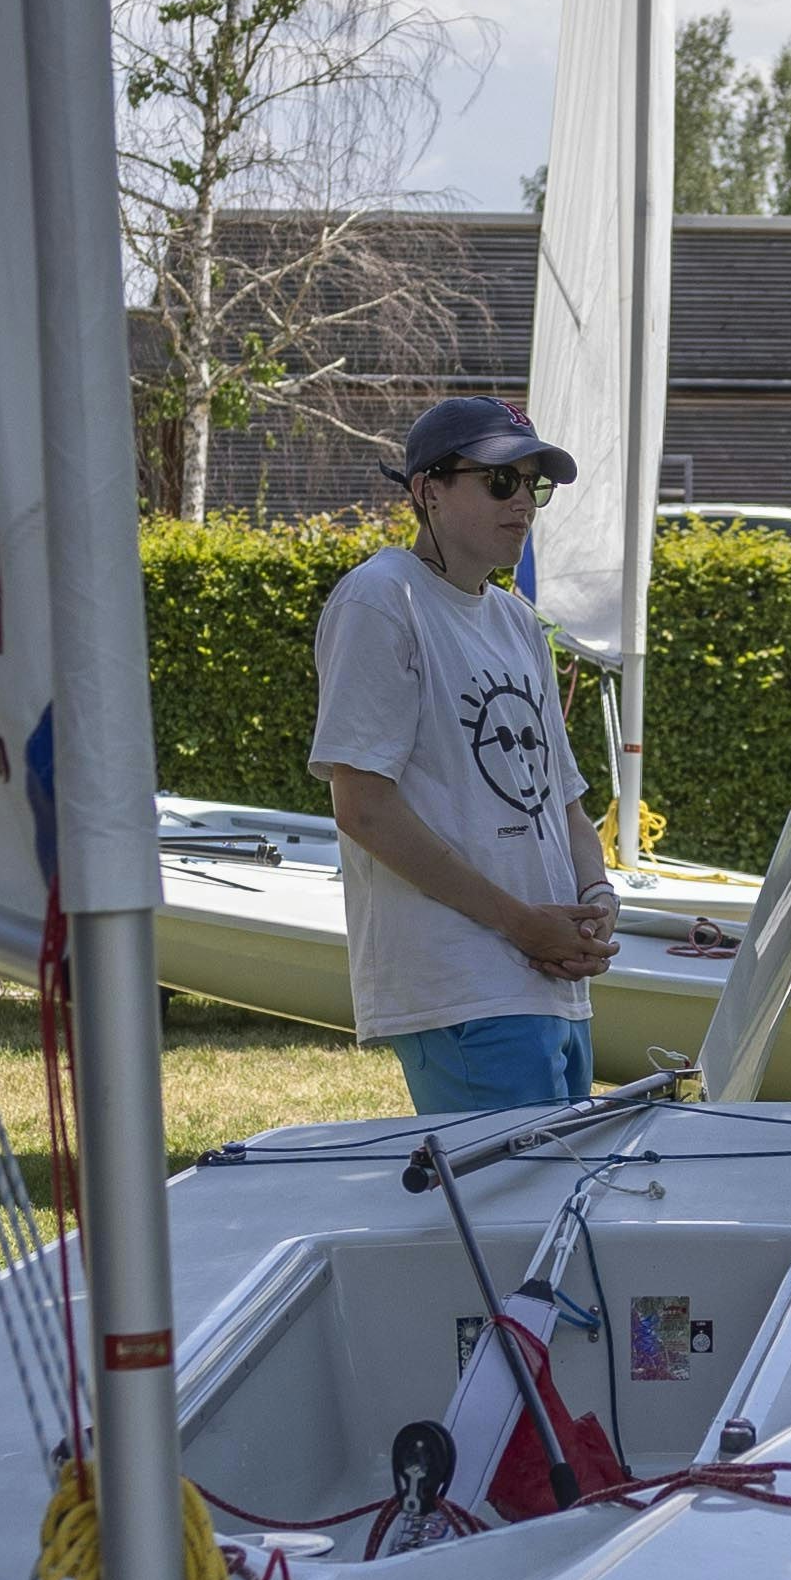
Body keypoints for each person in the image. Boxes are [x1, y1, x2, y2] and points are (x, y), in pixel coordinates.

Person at [308, 393, 619, 1119]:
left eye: (533, 485)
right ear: (429, 491)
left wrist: (597, 898)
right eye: (501, 481)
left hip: (551, 989)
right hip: (465, 991)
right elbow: (363, 808)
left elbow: (563, 800)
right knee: (509, 1226)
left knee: (555, 1215)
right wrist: (521, 923)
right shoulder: (380, 602)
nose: (525, 504)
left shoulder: (514, 618)